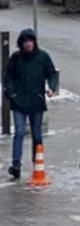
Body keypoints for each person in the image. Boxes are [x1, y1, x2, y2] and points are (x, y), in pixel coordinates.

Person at [4, 29, 59, 180]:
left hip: (36, 101)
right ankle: (16, 164)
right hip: (19, 102)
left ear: (34, 42)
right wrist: (11, 93)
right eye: (25, 41)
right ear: (21, 43)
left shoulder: (42, 57)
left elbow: (52, 73)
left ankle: (37, 162)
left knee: (37, 134)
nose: (28, 44)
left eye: (30, 41)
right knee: (19, 132)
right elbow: (8, 77)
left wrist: (51, 88)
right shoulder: (16, 58)